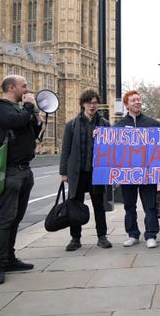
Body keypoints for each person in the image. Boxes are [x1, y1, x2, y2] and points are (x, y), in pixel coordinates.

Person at [0, 75, 43, 285]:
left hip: (24, 170)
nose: (27, 89)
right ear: (11, 87)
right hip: (7, 171)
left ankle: (9, 258)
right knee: (4, 220)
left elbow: (29, 133)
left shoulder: (21, 110)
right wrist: (28, 108)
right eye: (24, 86)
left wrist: (37, 120)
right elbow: (14, 121)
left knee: (16, 218)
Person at [60, 88, 112, 252]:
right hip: (77, 173)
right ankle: (75, 239)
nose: (92, 106)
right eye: (89, 102)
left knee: (99, 206)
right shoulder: (72, 125)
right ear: (83, 104)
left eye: (95, 102)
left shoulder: (104, 124)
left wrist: (103, 137)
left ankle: (102, 237)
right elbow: (65, 150)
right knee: (75, 206)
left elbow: (111, 149)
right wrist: (64, 173)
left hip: (96, 173)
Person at [114, 90, 160, 248]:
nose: (137, 102)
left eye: (139, 100)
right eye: (133, 100)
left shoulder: (152, 123)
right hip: (128, 173)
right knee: (129, 205)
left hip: (147, 172)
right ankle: (133, 234)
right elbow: (111, 146)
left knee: (150, 205)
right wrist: (98, 136)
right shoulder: (119, 125)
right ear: (126, 105)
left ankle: (151, 235)